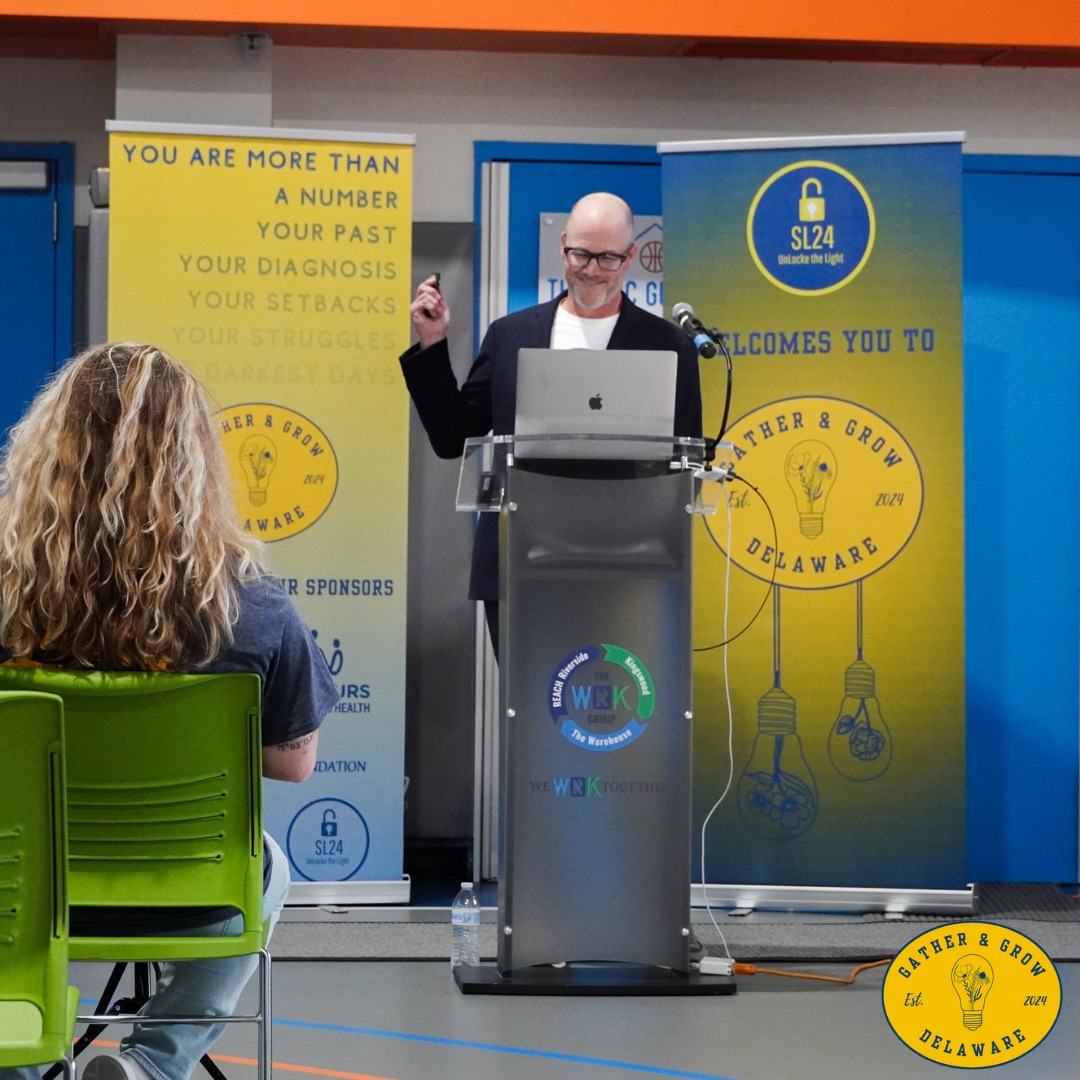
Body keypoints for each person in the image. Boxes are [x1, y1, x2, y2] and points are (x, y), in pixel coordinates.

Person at [0, 343, 337, 1080]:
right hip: (191, 897)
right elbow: (294, 760)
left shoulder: (7, 597)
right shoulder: (254, 608)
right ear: (197, 464)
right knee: (267, 865)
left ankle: (20, 1059)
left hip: (25, 893)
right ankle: (155, 1060)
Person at [399, 191, 703, 648]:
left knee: (613, 712)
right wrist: (432, 343)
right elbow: (451, 436)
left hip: (626, 566)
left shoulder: (668, 345)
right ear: (562, 245)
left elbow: (687, 464)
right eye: (580, 253)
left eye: (608, 258)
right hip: (520, 557)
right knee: (529, 710)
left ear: (632, 257)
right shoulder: (511, 334)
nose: (592, 269)